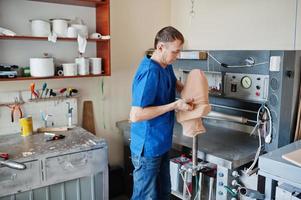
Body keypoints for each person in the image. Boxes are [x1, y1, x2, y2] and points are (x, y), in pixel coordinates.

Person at [129, 26, 194, 200]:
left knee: (164, 192)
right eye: (175, 51)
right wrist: (174, 105)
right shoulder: (150, 72)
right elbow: (136, 115)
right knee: (146, 197)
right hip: (148, 147)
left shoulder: (166, 66)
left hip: (162, 143)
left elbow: (175, 85)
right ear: (160, 48)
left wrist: (196, 88)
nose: (177, 56)